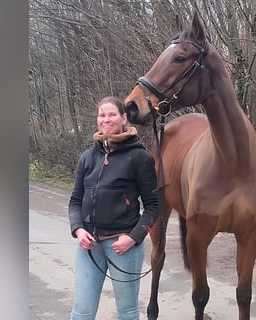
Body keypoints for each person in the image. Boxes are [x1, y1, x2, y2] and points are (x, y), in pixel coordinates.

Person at [68, 96, 159, 320]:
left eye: (112, 114)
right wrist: (79, 230)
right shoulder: (88, 157)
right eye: (102, 115)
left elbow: (153, 206)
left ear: (124, 118)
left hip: (123, 246)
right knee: (81, 312)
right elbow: (75, 200)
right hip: (89, 246)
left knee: (127, 313)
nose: (106, 119)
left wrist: (133, 237)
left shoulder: (140, 157)